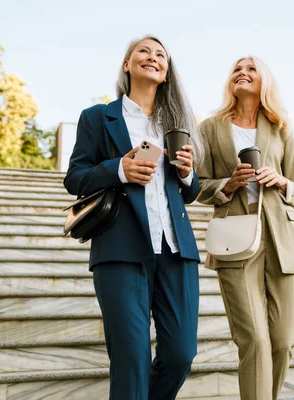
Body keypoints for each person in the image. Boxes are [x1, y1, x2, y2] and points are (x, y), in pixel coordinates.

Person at [64, 36, 203, 400]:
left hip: (176, 251)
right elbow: (75, 178)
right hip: (120, 250)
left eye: (161, 54)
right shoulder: (98, 117)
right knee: (131, 358)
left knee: (181, 355)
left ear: (167, 71)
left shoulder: (177, 123)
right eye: (143, 51)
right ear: (127, 64)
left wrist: (187, 173)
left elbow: (191, 191)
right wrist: (120, 170)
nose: (152, 57)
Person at [196, 56, 294, 400]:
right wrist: (228, 184)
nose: (242, 74)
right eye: (236, 70)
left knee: (282, 341)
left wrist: (281, 181)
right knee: (255, 340)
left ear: (264, 82)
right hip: (235, 238)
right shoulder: (211, 128)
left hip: (284, 240)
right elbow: (198, 185)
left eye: (251, 70)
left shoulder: (280, 127)